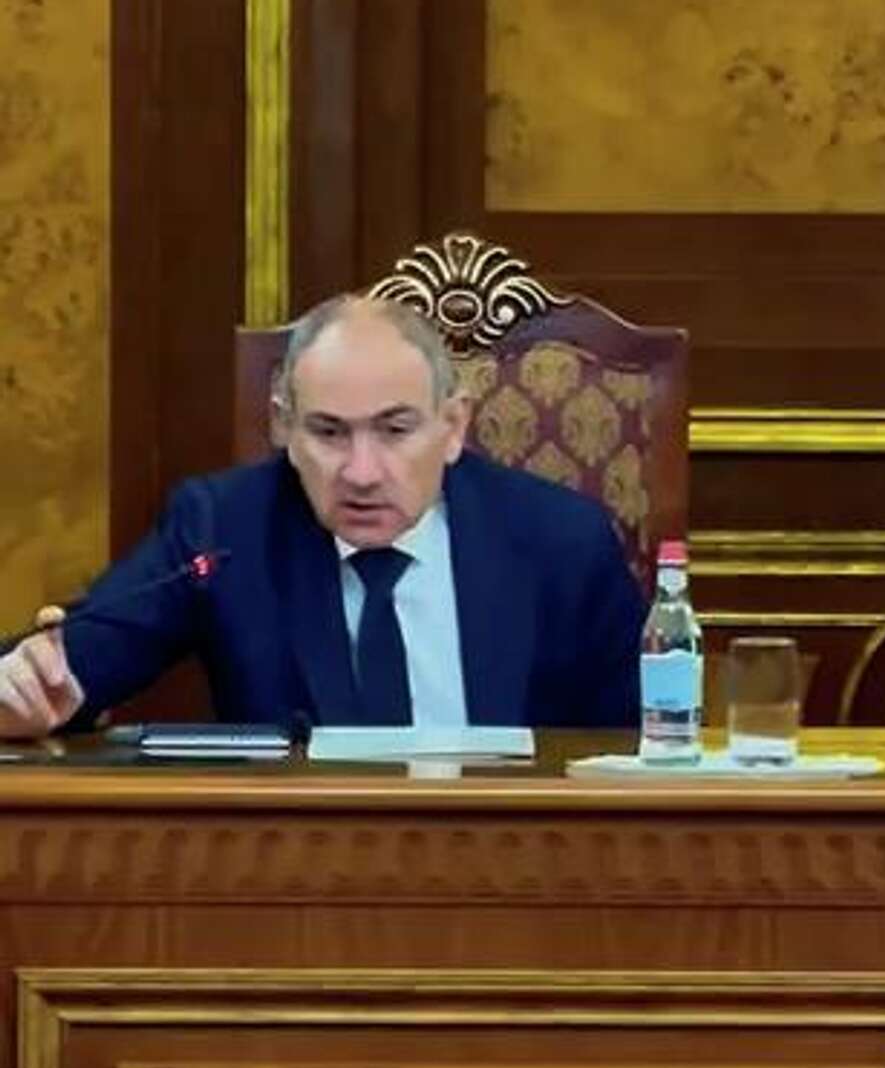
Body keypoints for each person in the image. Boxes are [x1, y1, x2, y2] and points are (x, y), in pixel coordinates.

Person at [0, 295, 644, 738]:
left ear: (453, 427)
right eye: (329, 432)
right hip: (293, 875)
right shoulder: (222, 529)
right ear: (283, 426)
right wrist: (25, 690)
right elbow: (65, 672)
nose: (361, 472)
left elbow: (637, 751)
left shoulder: (562, 543)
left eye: (395, 430)